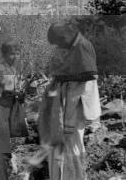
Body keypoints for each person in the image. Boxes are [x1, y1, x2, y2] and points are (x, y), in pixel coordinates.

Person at [38, 22, 101, 180]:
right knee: (67, 143)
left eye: (59, 42)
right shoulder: (74, 46)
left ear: (64, 36)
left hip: (77, 103)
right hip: (71, 101)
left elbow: (91, 74)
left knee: (73, 144)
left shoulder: (82, 46)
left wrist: (64, 77)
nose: (60, 46)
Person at [0, 38, 26, 179]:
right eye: (12, 54)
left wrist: (17, 95)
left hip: (4, 116)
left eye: (17, 53)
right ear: (4, 55)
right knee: (0, 156)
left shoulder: (11, 69)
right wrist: (7, 93)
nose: (15, 56)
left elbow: (10, 91)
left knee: (0, 155)